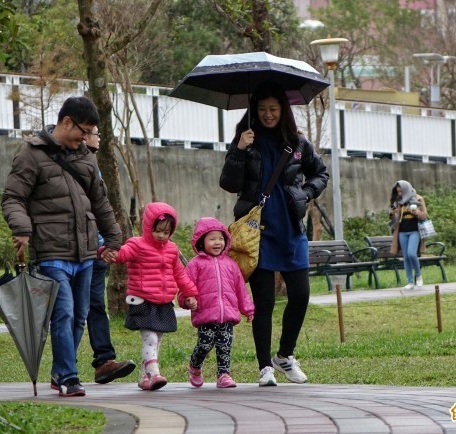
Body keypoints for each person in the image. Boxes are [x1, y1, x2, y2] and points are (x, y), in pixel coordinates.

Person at [1, 96, 122, 397]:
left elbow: (101, 203)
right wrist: (22, 228)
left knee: (80, 315)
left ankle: (58, 371)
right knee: (64, 313)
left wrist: (114, 239)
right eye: (84, 130)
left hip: (86, 252)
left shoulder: (86, 158)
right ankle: (69, 376)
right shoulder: (31, 155)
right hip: (51, 251)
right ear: (66, 122)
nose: (86, 137)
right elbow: (12, 197)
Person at [219, 81, 329, 387]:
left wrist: (306, 194)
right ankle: (265, 366)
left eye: (274, 109)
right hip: (258, 233)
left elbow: (321, 174)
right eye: (263, 109)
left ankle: (285, 355)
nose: (268, 115)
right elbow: (228, 183)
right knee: (263, 302)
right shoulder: (246, 141)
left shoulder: (298, 144)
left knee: (301, 295)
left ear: (283, 111)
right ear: (254, 111)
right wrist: (239, 149)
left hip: (291, 229)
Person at [103, 202, 198, 391]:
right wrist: (109, 252)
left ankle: (143, 378)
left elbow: (180, 274)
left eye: (166, 232)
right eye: (158, 231)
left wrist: (190, 293)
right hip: (143, 300)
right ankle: (154, 373)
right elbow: (123, 254)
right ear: (148, 227)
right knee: (150, 340)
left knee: (157, 341)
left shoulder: (171, 249)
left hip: (163, 302)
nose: (162, 236)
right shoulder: (137, 245)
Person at [83, 127, 136, 384]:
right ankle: (62, 369)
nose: (99, 136)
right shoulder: (60, 164)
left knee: (95, 305)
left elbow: (102, 209)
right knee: (67, 310)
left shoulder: (94, 166)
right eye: (95, 132)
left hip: (98, 250)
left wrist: (108, 242)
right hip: (72, 252)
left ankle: (104, 362)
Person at [179, 217, 255, 389]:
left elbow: (240, 289)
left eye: (221, 238)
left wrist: (247, 308)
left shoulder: (231, 264)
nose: (217, 242)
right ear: (201, 241)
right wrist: (187, 299)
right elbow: (185, 287)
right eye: (212, 239)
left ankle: (223, 374)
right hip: (206, 315)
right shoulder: (195, 265)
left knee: (224, 346)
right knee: (205, 344)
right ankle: (195, 365)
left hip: (227, 315)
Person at [388, 180, 428, 289]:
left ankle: (418, 276)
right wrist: (392, 213)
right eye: (398, 192)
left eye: (401, 192)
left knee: (411, 254)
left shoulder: (418, 199)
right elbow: (395, 218)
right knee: (406, 257)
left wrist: (417, 213)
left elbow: (425, 215)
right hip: (402, 232)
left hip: (414, 230)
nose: (400, 194)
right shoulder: (398, 202)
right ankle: (410, 281)